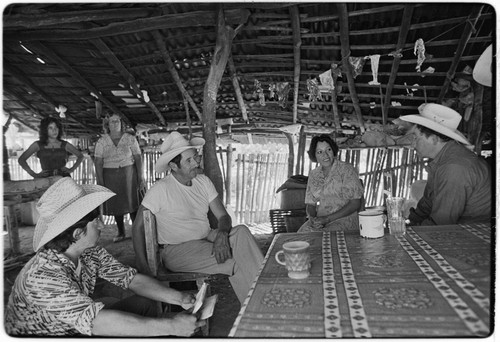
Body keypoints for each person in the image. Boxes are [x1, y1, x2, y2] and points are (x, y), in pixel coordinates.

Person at [4, 177, 203, 337]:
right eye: (96, 221)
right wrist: (170, 327)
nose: (102, 225)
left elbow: (131, 279)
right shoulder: (43, 277)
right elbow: (96, 324)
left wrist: (180, 298)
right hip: (53, 334)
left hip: (75, 325)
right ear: (77, 234)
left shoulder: (90, 252)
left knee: (145, 304)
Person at [132, 131, 264, 304]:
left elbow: (223, 216)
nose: (196, 162)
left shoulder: (203, 182)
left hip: (207, 237)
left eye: (196, 157)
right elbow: (137, 227)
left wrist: (222, 234)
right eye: (189, 161)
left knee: (242, 232)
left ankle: (266, 287)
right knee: (235, 260)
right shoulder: (160, 189)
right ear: (173, 166)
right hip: (177, 250)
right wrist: (144, 267)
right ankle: (257, 306)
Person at [400, 103, 492, 225]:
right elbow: (427, 204)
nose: (412, 144)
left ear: (434, 139)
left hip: (473, 237)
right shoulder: (443, 160)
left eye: (416, 138)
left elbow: (441, 223)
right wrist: (411, 223)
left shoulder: (454, 167)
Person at [298, 134, 364, 232]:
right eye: (320, 152)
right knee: (301, 235)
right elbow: (310, 204)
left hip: (345, 219)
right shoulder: (314, 174)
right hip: (321, 219)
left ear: (333, 150)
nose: (325, 155)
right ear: (314, 155)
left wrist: (328, 219)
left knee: (321, 236)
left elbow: (355, 203)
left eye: (328, 150)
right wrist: (312, 219)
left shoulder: (347, 170)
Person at [94, 114, 144, 242]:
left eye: (117, 121)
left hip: (129, 174)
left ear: (121, 123)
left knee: (132, 202)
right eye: (112, 121)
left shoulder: (130, 138)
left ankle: (136, 232)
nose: (115, 123)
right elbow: (98, 162)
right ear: (108, 125)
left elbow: (138, 157)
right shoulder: (102, 141)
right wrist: (100, 181)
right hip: (110, 176)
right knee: (116, 204)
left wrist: (140, 177)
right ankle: (121, 232)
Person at [18, 116, 84, 178]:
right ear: (45, 130)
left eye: (56, 127)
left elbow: (80, 156)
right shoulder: (38, 145)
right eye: (50, 128)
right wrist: (34, 174)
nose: (54, 130)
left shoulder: (64, 144)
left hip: (63, 178)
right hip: (45, 178)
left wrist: (71, 170)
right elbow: (21, 160)